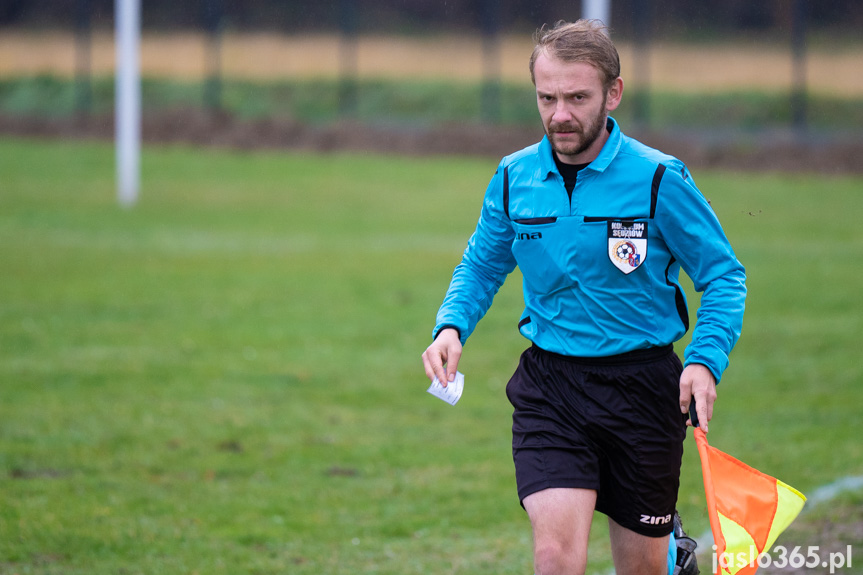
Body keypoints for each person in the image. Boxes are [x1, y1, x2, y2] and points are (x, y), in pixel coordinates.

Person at [421, 19, 746, 575]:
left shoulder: (658, 178)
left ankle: (672, 555)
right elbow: (481, 264)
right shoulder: (513, 177)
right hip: (552, 388)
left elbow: (721, 275)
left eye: (577, 97)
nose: (559, 115)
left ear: (613, 93)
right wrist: (450, 326)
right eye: (547, 98)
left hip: (643, 389)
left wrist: (704, 362)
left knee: (641, 568)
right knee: (554, 559)